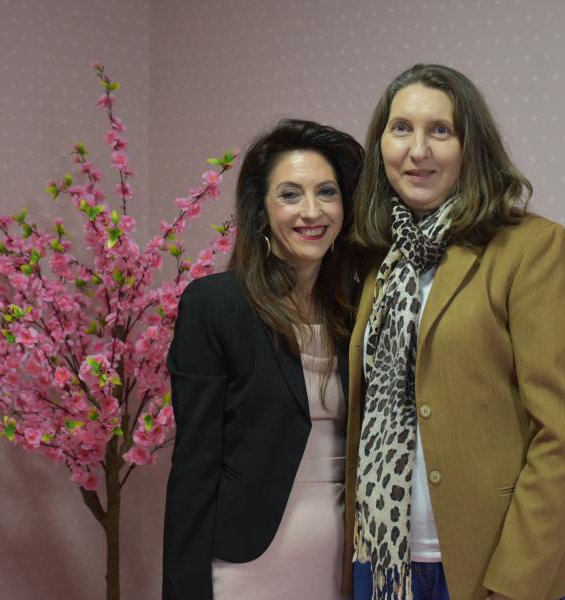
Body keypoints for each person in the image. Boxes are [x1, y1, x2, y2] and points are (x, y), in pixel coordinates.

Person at [343, 64, 565, 600]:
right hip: (384, 563)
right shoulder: (376, 260)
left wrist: (514, 585)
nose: (418, 150)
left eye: (441, 130)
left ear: (470, 146)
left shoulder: (532, 248)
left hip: (497, 567)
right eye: (401, 128)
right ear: (381, 143)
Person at [162, 119, 364, 600]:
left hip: (346, 562)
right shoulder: (215, 305)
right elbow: (194, 466)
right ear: (261, 210)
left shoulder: (360, 309)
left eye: (327, 192)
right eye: (290, 195)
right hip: (246, 568)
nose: (311, 211)